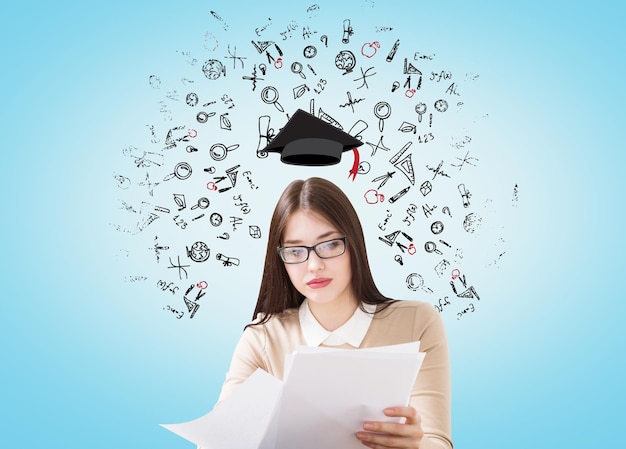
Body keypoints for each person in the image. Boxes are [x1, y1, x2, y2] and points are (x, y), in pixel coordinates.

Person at [217, 177, 452, 449]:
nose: (314, 265)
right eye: (295, 251)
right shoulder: (263, 339)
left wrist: (417, 446)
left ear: (354, 245)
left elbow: (438, 441)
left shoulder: (416, 322)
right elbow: (217, 441)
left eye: (329, 245)